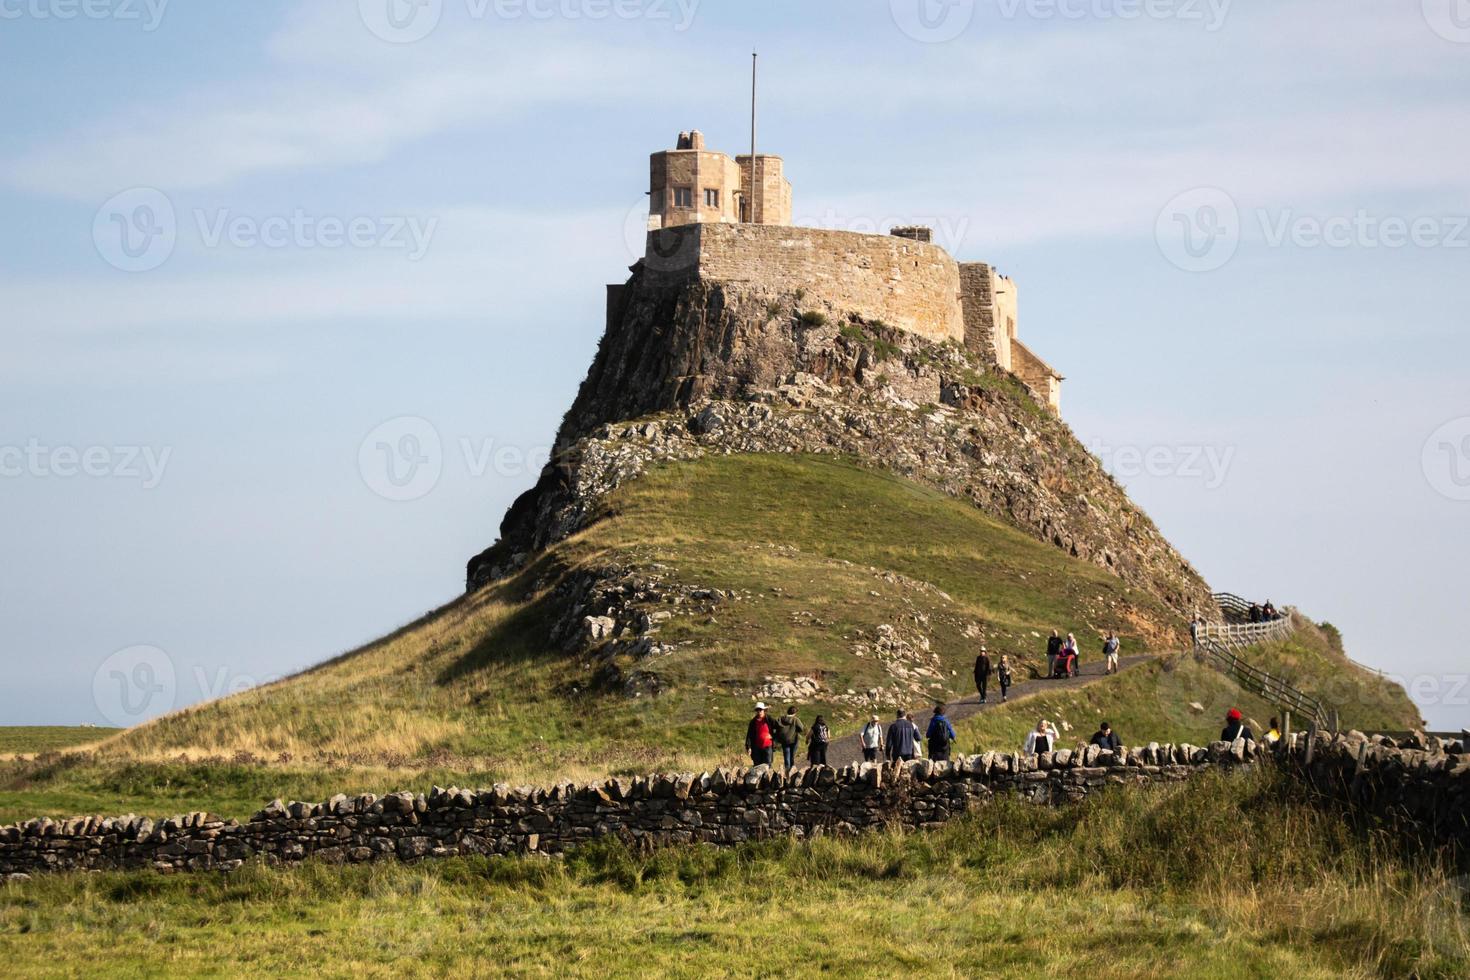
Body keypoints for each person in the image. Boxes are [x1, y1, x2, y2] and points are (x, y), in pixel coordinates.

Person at [774, 706, 805, 773]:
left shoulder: (781, 718)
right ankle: (792, 771)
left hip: (784, 740)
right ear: (795, 713)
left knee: (786, 756)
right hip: (793, 740)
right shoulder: (795, 719)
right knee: (792, 756)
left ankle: (787, 771)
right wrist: (796, 730)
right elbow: (802, 728)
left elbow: (775, 726)